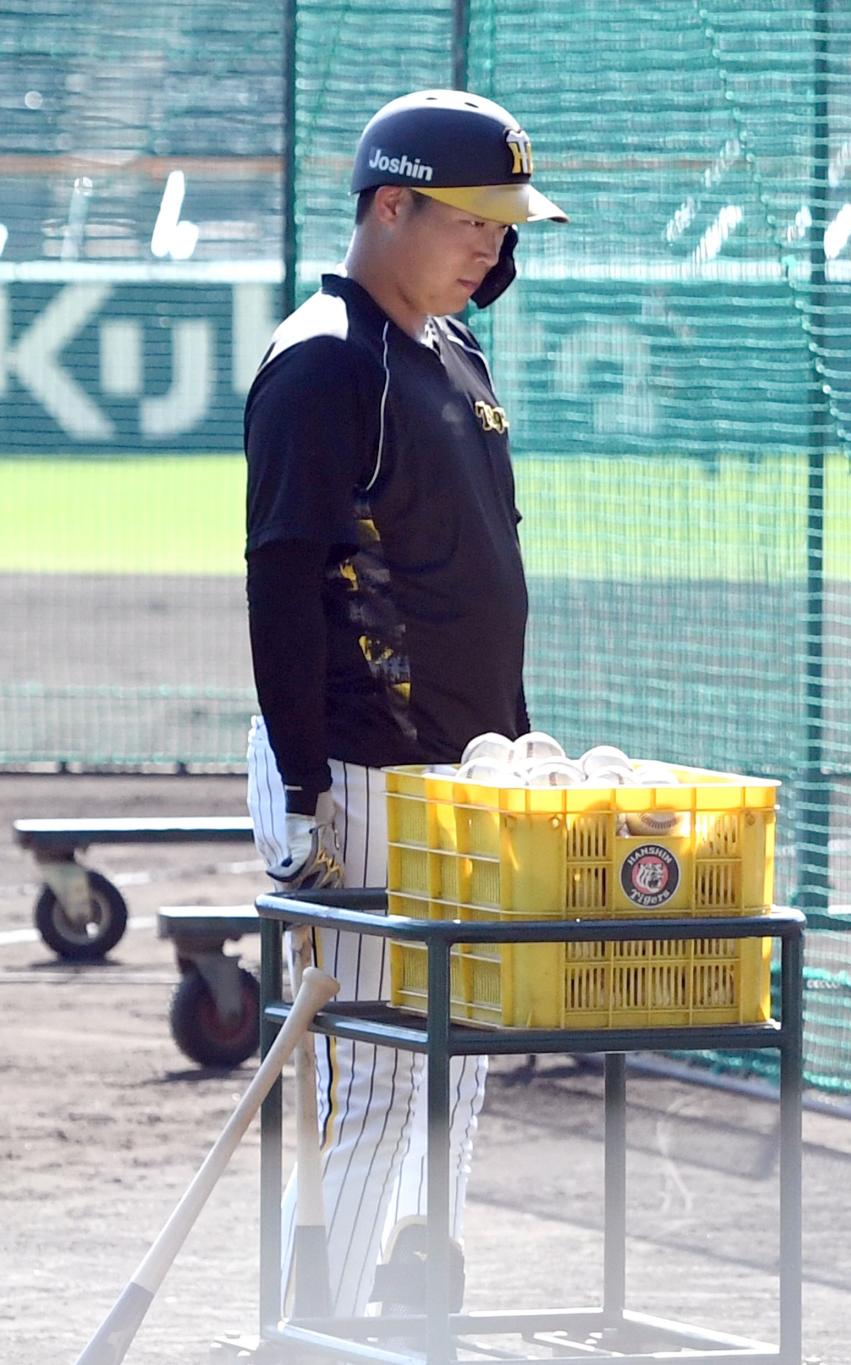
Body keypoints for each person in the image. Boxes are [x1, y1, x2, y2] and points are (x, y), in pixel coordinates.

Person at [243, 88, 566, 1317]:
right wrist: (306, 784)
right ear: (391, 206)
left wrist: (515, 738)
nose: (495, 246)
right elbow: (282, 579)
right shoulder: (327, 361)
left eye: (506, 228)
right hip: (361, 767)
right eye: (474, 222)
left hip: (461, 769)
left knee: (453, 1065)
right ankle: (309, 1326)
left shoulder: (451, 350)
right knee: (375, 1081)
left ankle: (400, 1306)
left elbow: (485, 572)